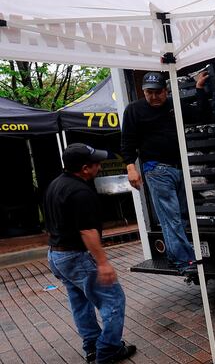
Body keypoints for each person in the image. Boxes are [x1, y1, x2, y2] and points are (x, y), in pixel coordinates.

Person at [45, 143, 136, 364]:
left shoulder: (56, 185)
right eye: (96, 163)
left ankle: (92, 347)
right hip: (77, 256)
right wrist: (103, 263)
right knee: (114, 300)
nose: (100, 166)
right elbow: (87, 231)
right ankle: (108, 350)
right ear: (85, 168)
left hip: (57, 255)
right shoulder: (80, 192)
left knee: (80, 303)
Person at [121, 71, 209, 274]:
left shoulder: (173, 105)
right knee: (171, 218)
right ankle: (184, 262)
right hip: (156, 170)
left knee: (180, 216)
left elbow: (201, 115)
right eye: (149, 92)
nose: (154, 96)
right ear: (143, 91)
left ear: (165, 91)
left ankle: (175, 256)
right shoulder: (134, 110)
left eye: (158, 92)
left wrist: (198, 89)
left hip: (178, 168)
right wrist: (131, 167)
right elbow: (127, 141)